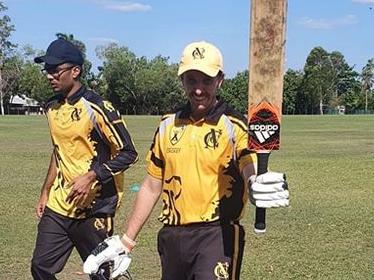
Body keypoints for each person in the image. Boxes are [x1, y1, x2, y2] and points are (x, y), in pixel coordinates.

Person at [84, 41, 289, 280]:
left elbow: (247, 163)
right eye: (191, 80)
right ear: (182, 81)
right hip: (173, 237)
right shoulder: (168, 124)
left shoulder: (234, 125)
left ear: (220, 80)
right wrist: (127, 241)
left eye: (206, 80)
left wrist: (255, 182)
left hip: (216, 234)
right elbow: (151, 186)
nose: (199, 89)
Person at [31, 38, 138, 280]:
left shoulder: (98, 107)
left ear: (75, 71)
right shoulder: (52, 108)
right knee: (40, 267)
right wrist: (45, 190)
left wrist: (92, 176)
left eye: (56, 70)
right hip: (59, 205)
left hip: (95, 208)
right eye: (47, 70)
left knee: (103, 275)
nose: (50, 76)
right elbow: (59, 151)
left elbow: (129, 153)